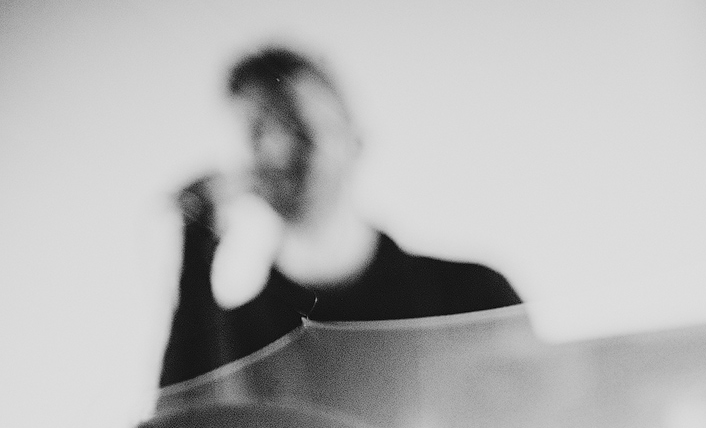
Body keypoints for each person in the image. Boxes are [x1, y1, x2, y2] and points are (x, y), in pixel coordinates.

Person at [160, 46, 521, 388]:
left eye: (296, 123)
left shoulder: (474, 297)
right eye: (257, 132)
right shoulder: (235, 342)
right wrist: (195, 250)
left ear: (356, 141)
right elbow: (178, 426)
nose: (278, 150)